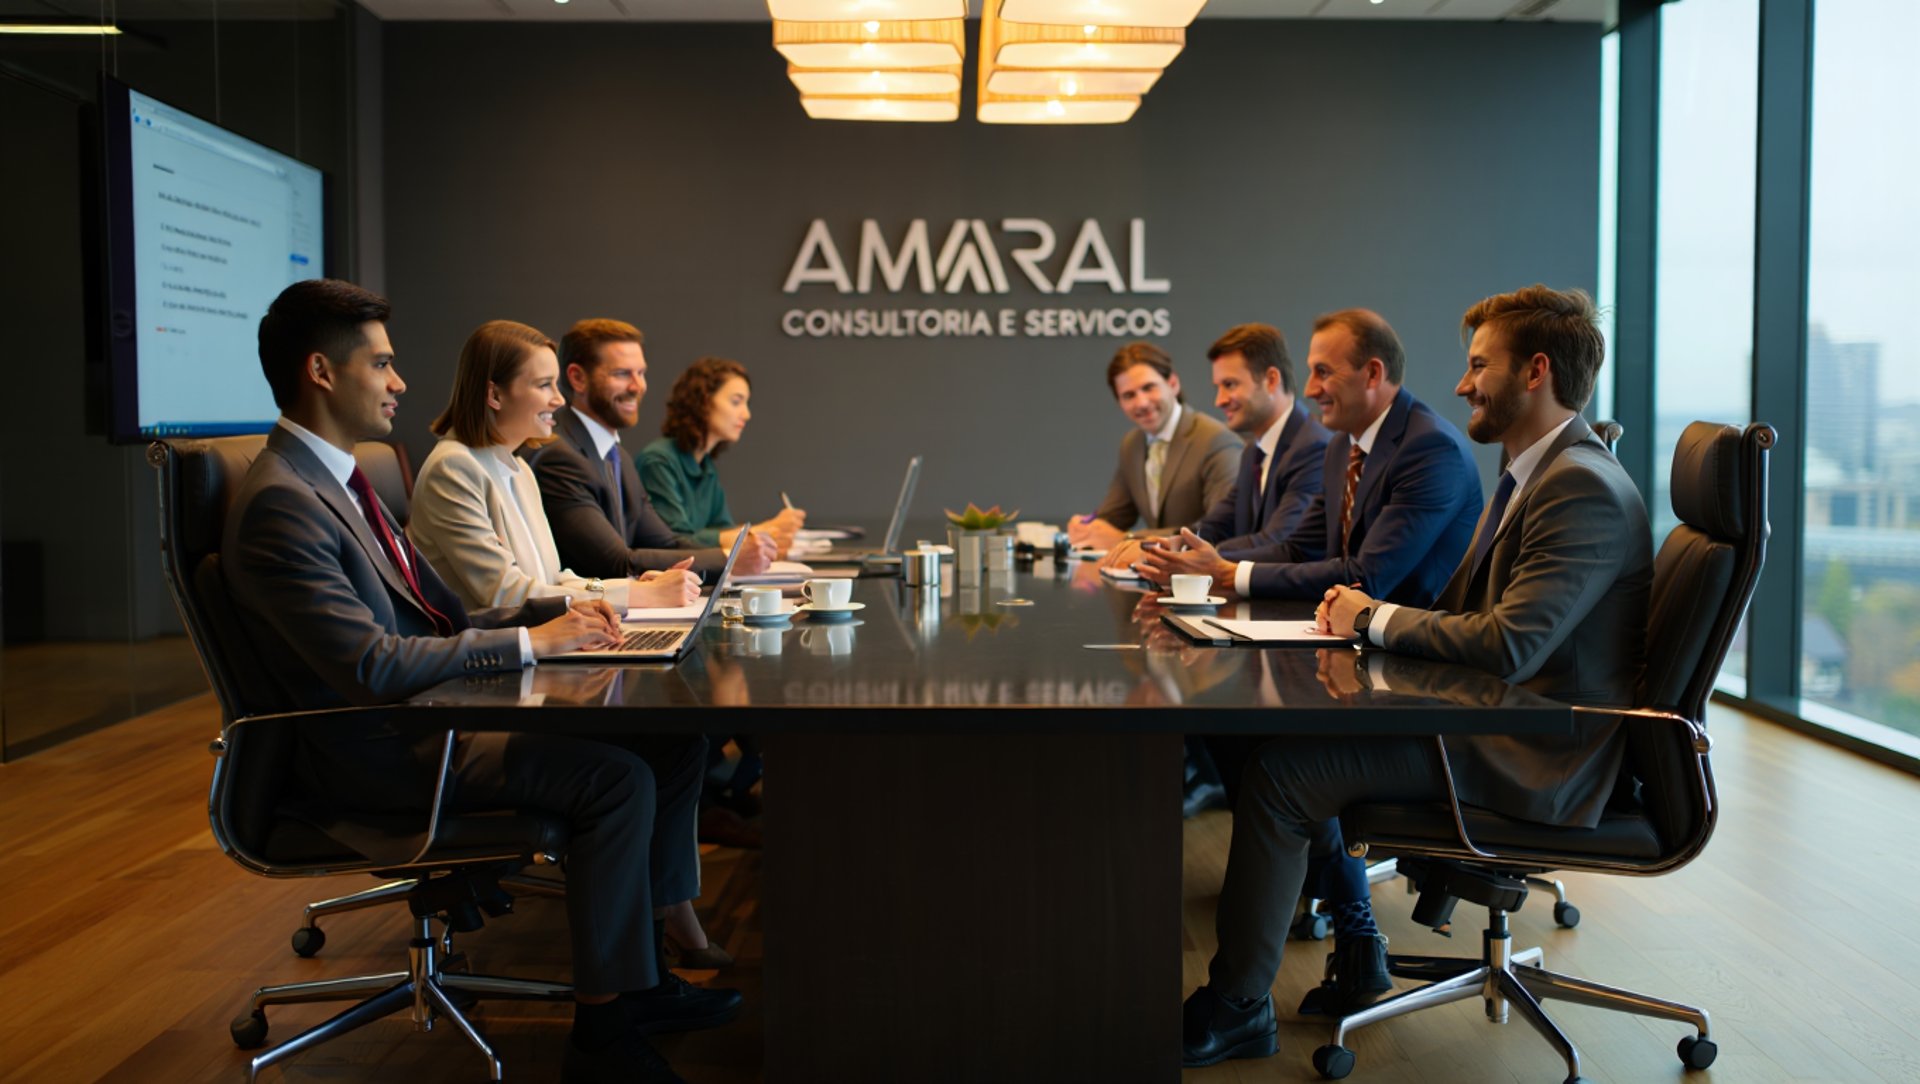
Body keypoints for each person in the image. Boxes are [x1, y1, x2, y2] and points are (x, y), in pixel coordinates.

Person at [223, 280, 739, 1084]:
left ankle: (640, 983)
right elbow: (371, 663)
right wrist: (528, 646)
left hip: (429, 713)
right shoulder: (284, 502)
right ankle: (604, 1033)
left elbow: (446, 609)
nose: (400, 383)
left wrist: (540, 637)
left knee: (666, 748)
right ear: (323, 372)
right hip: (384, 749)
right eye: (383, 364)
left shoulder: (340, 482)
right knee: (615, 780)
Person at [1181, 285, 1653, 1069]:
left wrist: (1371, 619)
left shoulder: (1577, 485)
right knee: (1273, 751)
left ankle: (1235, 1007)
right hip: (1499, 720)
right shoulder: (1539, 471)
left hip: (1536, 754)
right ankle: (1295, 971)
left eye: (1478, 365)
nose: (1462, 383)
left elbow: (1510, 644)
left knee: (1280, 774)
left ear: (1536, 371)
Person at [1135, 309, 1481, 608]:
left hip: (1415, 667)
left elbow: (1367, 578)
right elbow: (1297, 550)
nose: (1310, 389)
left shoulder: (1431, 448)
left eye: (1323, 372)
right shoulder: (1342, 447)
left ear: (1373, 374)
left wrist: (1226, 572)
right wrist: (1196, 561)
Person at [408, 320, 701, 615]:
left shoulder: (519, 468)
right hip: (496, 653)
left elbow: (555, 579)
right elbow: (507, 594)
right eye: (544, 384)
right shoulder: (453, 468)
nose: (559, 400)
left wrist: (634, 588)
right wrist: (640, 596)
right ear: (495, 395)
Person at [525, 319, 777, 581]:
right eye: (622, 374)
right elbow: (616, 562)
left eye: (641, 373)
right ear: (578, 378)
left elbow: (666, 544)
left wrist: (732, 553)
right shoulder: (559, 455)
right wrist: (729, 559)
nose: (637, 386)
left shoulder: (617, 455)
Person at [1103, 323, 1330, 574]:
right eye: (1218, 387)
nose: (1219, 400)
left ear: (1271, 380)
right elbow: (1214, 526)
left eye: (1230, 384)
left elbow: (1279, 542)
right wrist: (1164, 547)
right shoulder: (1253, 451)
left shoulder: (1313, 448)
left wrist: (1188, 557)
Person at [1065, 341, 1241, 552]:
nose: (1141, 403)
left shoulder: (1216, 440)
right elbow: (1114, 517)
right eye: (1129, 395)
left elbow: (1218, 531)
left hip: (1201, 578)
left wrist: (1128, 539)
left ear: (1173, 383)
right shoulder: (1132, 444)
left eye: (1149, 388)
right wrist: (1088, 527)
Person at [638, 356, 807, 558]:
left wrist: (764, 539)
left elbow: (723, 531)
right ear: (703, 401)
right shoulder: (658, 461)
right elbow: (675, 540)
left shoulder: (705, 465)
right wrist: (764, 530)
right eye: (736, 402)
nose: (746, 414)